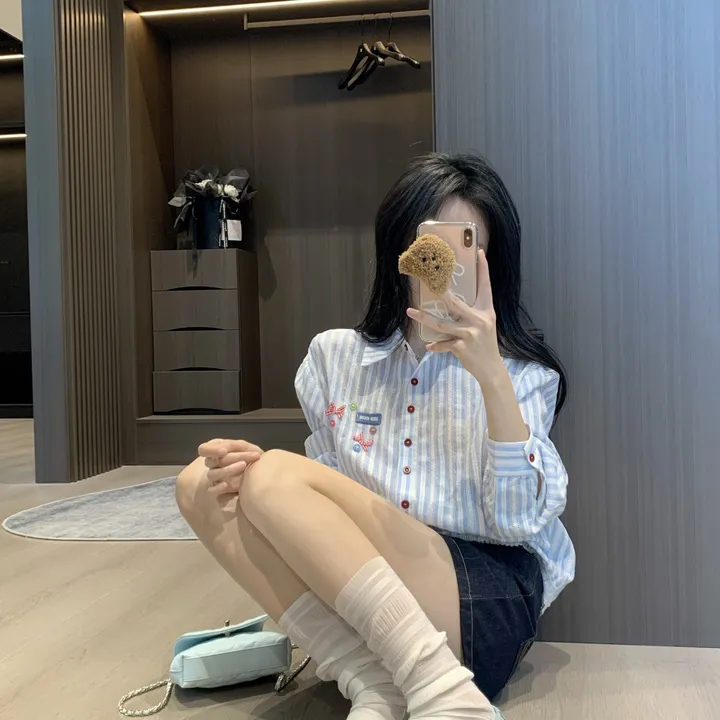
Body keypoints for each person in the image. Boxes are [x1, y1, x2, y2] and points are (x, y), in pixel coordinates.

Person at [176, 153, 575, 720]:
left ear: (491, 263)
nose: (442, 269)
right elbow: (327, 511)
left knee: (273, 475)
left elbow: (516, 523)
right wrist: (262, 479)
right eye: (429, 248)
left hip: (481, 600)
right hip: (376, 607)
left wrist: (491, 375)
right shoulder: (334, 358)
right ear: (400, 253)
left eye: (463, 250)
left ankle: (446, 691)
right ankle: (373, 681)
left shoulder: (523, 375)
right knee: (202, 483)